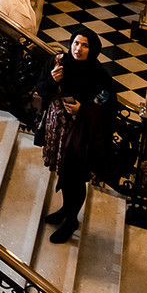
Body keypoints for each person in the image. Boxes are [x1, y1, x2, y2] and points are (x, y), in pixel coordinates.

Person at [34, 30, 116, 243]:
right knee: (64, 174)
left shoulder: (97, 73)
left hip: (80, 134)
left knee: (76, 177)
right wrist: (52, 80)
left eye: (84, 45)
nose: (78, 49)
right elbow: (41, 89)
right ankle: (64, 209)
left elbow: (109, 103)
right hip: (57, 131)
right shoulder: (57, 62)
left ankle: (71, 220)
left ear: (93, 49)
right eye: (76, 43)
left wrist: (83, 110)